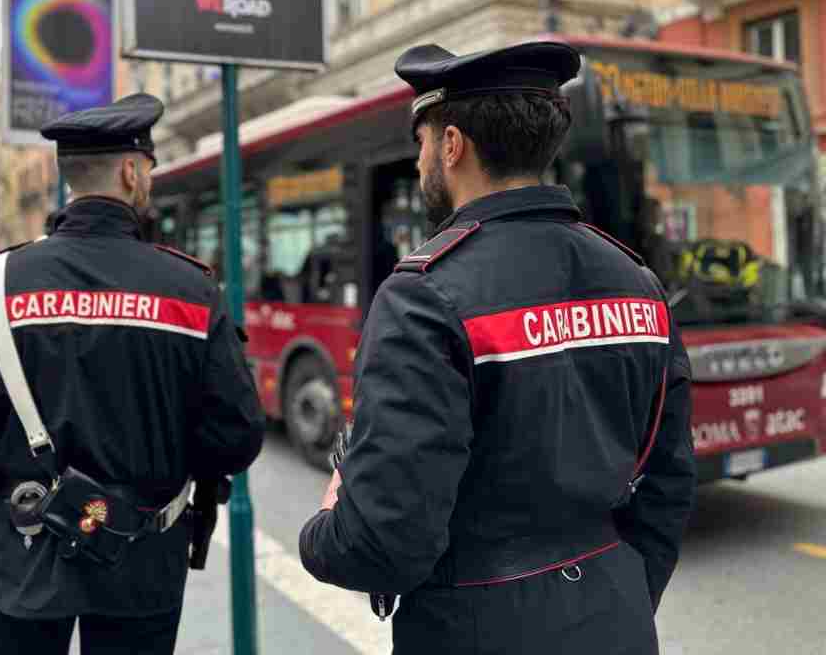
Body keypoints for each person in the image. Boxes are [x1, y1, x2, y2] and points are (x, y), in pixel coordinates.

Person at [299, 42, 697, 655]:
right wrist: (618, 592)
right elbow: (668, 484)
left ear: (453, 145)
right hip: (616, 619)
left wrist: (322, 527)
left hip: (475, 628)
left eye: (423, 144)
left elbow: (384, 543)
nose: (420, 163)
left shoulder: (425, 296)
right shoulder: (635, 279)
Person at [0, 93, 265, 655]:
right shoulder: (190, 290)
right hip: (141, 556)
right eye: (149, 172)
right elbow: (236, 435)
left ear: (68, 179)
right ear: (132, 172)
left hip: (19, 559)